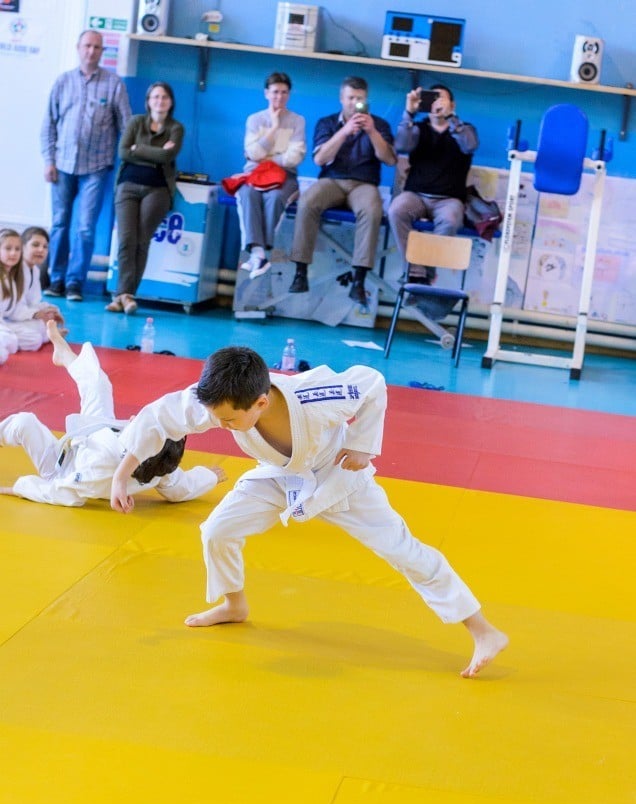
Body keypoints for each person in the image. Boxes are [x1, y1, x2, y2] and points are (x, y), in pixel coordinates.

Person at [110, 346, 508, 679]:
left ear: (261, 402)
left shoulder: (315, 399)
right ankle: (234, 604)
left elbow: (371, 382)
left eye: (229, 419)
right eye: (217, 417)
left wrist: (363, 443)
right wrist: (121, 476)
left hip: (338, 476)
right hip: (280, 474)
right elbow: (158, 417)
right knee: (217, 530)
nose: (219, 424)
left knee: (402, 551)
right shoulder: (218, 400)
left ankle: (483, 630)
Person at [0, 321, 227, 507]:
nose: (135, 419)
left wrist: (17, 488)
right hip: (97, 433)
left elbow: (63, 492)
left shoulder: (99, 464)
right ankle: (65, 356)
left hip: (62, 467)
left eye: (139, 424)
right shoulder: (161, 468)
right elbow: (181, 488)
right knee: (99, 385)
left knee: (24, 422)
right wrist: (210, 477)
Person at [288, 76, 396, 309]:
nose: (354, 103)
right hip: (332, 180)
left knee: (372, 209)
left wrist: (372, 132)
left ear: (366, 100)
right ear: (341, 99)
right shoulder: (326, 123)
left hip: (364, 184)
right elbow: (320, 159)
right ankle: (300, 271)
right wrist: (345, 131)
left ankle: (359, 280)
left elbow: (388, 159)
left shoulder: (381, 125)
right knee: (307, 202)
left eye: (360, 99)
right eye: (350, 98)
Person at [40, 29, 131, 302]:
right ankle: (56, 280)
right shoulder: (63, 82)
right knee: (59, 224)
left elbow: (126, 127)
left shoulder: (114, 84)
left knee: (85, 227)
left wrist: (121, 162)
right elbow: (48, 125)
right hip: (62, 165)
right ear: (78, 48)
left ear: (103, 51)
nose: (91, 51)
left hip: (96, 167)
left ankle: (75, 283)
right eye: (87, 46)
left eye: (97, 47)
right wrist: (49, 160)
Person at [388, 84, 478, 284]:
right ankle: (416, 273)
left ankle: (426, 273)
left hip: (449, 199)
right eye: (432, 99)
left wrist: (451, 118)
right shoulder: (417, 129)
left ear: (452, 104)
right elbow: (402, 146)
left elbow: (469, 145)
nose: (437, 103)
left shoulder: (464, 129)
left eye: (442, 99)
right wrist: (408, 114)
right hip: (416, 195)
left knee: (450, 221)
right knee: (396, 211)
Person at [107, 81, 184, 315]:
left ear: (170, 102)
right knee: (126, 240)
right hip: (127, 186)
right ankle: (125, 295)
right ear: (148, 101)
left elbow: (168, 156)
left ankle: (125, 295)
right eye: (155, 97)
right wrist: (156, 153)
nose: (159, 101)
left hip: (157, 190)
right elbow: (122, 152)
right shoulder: (135, 122)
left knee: (142, 241)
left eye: (164, 97)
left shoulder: (176, 128)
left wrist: (137, 149)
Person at [236, 71, 306, 281]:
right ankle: (259, 254)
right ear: (266, 93)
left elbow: (295, 157)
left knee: (274, 197)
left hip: (285, 177)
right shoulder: (255, 120)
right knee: (247, 193)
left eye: (284, 93)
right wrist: (274, 128)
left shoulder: (297, 121)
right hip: (254, 174)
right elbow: (253, 154)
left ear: (289, 95)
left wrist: (265, 157)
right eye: (275, 92)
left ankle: (259, 253)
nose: (279, 97)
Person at [0, 228, 59, 353]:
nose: (13, 253)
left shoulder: (14, 274)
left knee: (40, 331)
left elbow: (18, 307)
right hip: (5, 323)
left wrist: (41, 312)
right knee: (14, 342)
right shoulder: (13, 273)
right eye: (35, 245)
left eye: (45, 247)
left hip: (9, 320)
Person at [21, 227, 66, 331]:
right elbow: (12, 309)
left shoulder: (35, 271)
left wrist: (50, 310)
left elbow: (32, 302)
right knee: (35, 337)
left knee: (48, 321)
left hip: (20, 315)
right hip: (7, 317)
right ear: (22, 246)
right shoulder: (16, 271)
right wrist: (36, 313)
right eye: (35, 245)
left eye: (45, 247)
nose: (41, 250)